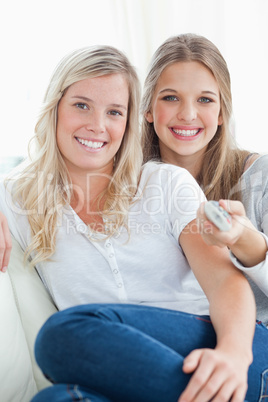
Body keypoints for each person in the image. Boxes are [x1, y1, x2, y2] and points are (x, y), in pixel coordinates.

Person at [0, 45, 266, 402]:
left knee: (61, 334)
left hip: (225, 351)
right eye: (81, 105)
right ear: (55, 108)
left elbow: (223, 282)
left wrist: (233, 354)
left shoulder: (165, 184)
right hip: (128, 373)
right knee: (54, 399)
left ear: (128, 123)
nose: (97, 125)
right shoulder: (19, 201)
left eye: (114, 111)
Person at [141, 32, 268, 327]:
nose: (187, 114)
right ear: (147, 109)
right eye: (171, 98)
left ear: (222, 112)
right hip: (175, 340)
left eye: (205, 99)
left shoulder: (259, 176)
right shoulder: (132, 185)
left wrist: (243, 240)